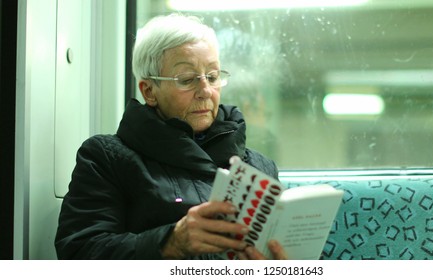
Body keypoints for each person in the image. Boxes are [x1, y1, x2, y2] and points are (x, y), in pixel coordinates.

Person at [54, 13, 287, 260]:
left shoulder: (260, 167)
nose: (206, 91)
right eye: (187, 79)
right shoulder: (105, 158)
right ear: (149, 91)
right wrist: (171, 242)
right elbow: (79, 252)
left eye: (213, 76)